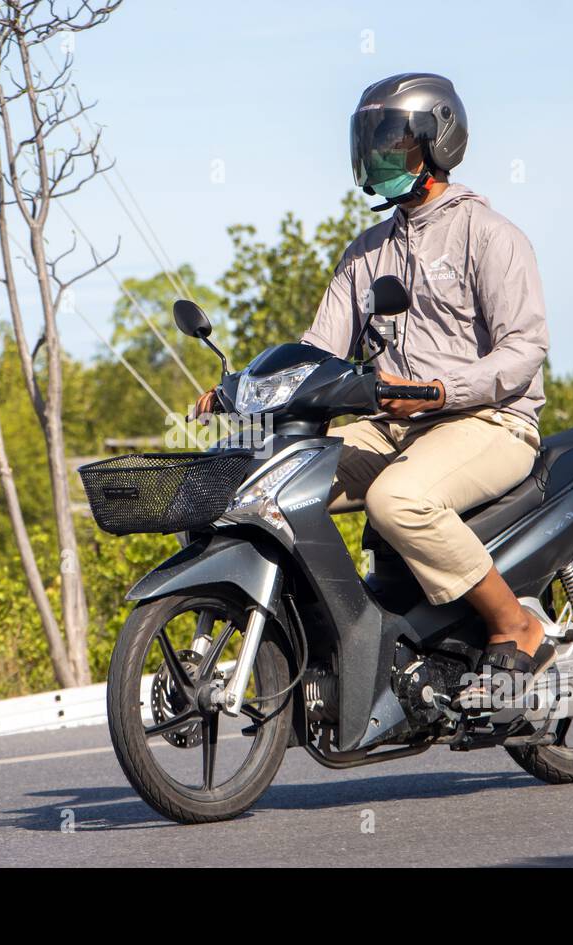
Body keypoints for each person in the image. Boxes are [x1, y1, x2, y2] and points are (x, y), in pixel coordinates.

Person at [196, 73, 553, 709]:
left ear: (436, 140)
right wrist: (239, 392)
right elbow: (318, 349)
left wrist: (441, 392)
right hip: (388, 426)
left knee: (397, 500)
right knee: (265, 489)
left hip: (489, 422)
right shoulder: (366, 252)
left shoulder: (490, 236)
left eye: (392, 139)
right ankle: (348, 639)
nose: (377, 154)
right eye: (371, 139)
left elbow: (524, 350)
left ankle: (516, 626)